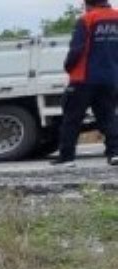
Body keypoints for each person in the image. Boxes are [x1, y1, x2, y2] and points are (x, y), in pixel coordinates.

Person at [54, 0, 118, 167]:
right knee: (108, 118)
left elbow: (77, 48)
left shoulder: (87, 19)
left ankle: (67, 158)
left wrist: (68, 66)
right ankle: (115, 153)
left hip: (83, 78)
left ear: (89, 4)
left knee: (72, 118)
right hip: (110, 78)